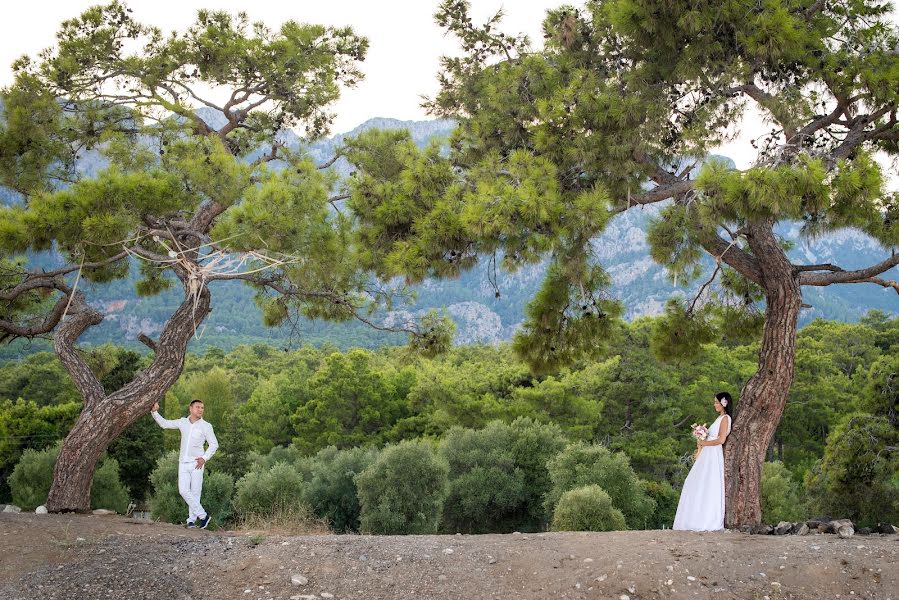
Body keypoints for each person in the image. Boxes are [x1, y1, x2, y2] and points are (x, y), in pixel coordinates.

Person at [151, 399, 218, 529]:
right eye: (198, 407)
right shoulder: (183, 422)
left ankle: (191, 521)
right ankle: (203, 516)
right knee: (183, 490)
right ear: (191, 408)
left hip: (197, 463)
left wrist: (204, 458)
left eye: (202, 408)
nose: (200, 410)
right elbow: (164, 424)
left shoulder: (206, 426)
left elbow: (214, 444)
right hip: (183, 462)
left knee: (195, 492)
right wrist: (155, 412)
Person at [672, 391, 733, 531]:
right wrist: (701, 437)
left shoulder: (726, 419)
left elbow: (721, 439)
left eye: (717, 402)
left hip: (713, 455)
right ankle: (691, 520)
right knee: (693, 483)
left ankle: (705, 520)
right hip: (708, 454)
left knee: (707, 484)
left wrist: (704, 443)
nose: (715, 405)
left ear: (724, 403)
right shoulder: (719, 418)